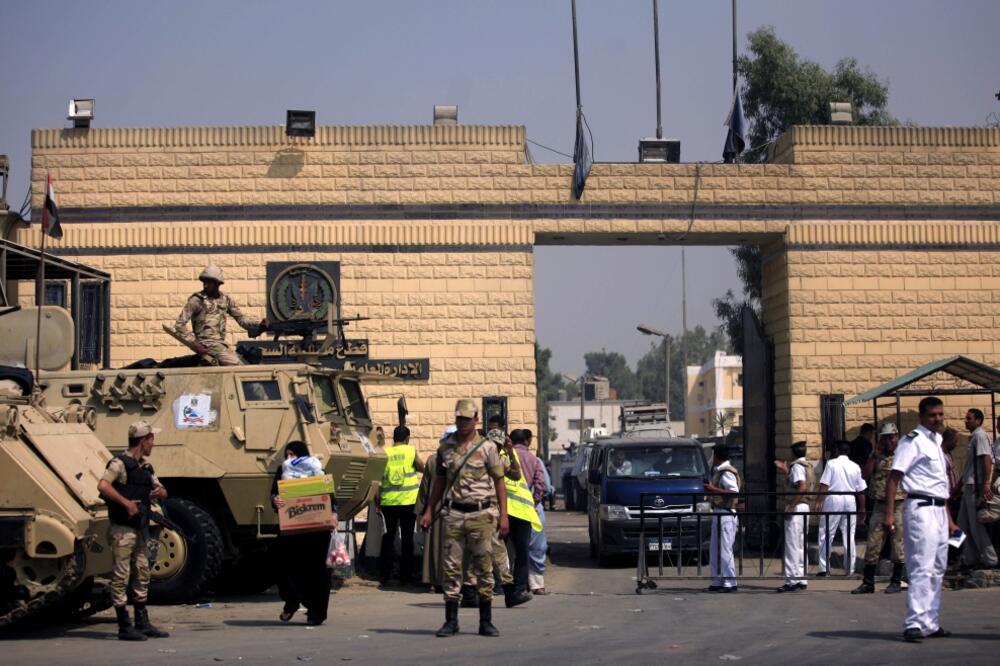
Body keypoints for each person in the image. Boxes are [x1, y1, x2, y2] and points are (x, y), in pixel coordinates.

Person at [420, 399, 510, 638]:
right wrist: (429, 510)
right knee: (451, 568)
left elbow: (500, 481)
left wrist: (504, 515)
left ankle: (486, 620)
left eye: (467, 419)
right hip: (454, 514)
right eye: (459, 418)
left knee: (484, 567)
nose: (463, 423)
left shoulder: (488, 447)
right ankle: (451, 620)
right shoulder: (445, 448)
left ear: (476, 419)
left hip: (482, 514)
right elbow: (439, 481)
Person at [883, 396, 958, 642]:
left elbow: (940, 485)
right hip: (920, 508)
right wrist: (889, 513)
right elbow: (894, 478)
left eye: (940, 414)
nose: (937, 419)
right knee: (921, 566)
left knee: (937, 568)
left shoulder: (937, 441)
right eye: (932, 415)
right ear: (922, 416)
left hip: (938, 508)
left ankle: (930, 622)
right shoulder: (911, 441)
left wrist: (949, 519)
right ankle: (914, 622)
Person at [96, 420, 170, 641]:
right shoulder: (119, 464)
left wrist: (160, 492)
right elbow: (103, 485)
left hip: (140, 528)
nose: (153, 444)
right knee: (121, 575)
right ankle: (123, 625)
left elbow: (162, 490)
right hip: (122, 529)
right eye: (151, 439)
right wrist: (126, 503)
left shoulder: (145, 468)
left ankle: (142, 621)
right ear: (143, 440)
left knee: (142, 572)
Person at [270, 440, 335, 626]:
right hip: (292, 531)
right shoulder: (282, 472)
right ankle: (292, 601)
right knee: (285, 568)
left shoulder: (317, 470)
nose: (290, 459)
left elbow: (330, 495)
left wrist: (334, 514)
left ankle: (316, 613)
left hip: (317, 532)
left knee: (318, 573)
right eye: (288, 455)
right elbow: (274, 493)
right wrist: (276, 501)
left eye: (294, 455)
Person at [174, 264, 266, 366]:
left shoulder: (226, 299)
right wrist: (195, 343)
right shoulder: (197, 300)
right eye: (204, 282)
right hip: (207, 344)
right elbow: (179, 325)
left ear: (218, 283)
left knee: (249, 362)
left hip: (221, 345)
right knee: (239, 366)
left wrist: (258, 325)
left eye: (209, 282)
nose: (205, 285)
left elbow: (241, 319)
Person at [853, 423, 906, 594]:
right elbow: (865, 475)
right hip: (879, 505)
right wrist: (874, 457)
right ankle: (868, 582)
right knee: (873, 543)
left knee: (899, 544)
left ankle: (896, 581)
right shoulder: (877, 455)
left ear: (897, 437)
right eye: (885, 437)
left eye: (891, 437)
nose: (888, 441)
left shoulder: (903, 455)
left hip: (899, 504)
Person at [378, 425, 425, 586]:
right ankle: (405, 577)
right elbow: (422, 467)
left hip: (388, 502)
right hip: (408, 502)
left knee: (388, 538)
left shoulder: (385, 453)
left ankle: (384, 575)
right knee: (407, 539)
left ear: (394, 438)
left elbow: (378, 479)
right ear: (407, 438)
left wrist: (378, 502)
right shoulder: (410, 451)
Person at [815, 440, 867, 576]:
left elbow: (824, 485)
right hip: (850, 499)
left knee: (826, 533)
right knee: (849, 534)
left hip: (833, 498)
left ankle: (824, 568)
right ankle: (850, 568)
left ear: (837, 451)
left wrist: (819, 501)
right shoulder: (855, 466)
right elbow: (861, 490)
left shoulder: (831, 464)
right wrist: (862, 508)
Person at [957, 408, 998, 570]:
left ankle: (990, 559)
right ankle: (969, 557)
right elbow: (969, 467)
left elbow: (987, 460)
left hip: (976, 485)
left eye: (969, 419)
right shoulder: (973, 437)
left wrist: (985, 484)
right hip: (968, 484)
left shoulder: (980, 436)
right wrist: (959, 485)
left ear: (978, 421)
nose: (966, 421)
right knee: (961, 524)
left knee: (976, 525)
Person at [507, 429, 544, 600]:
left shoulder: (505, 455)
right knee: (523, 551)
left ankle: (503, 586)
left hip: (505, 508)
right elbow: (540, 484)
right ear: (526, 442)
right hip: (524, 509)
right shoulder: (533, 459)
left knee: (504, 551)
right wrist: (535, 501)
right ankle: (520, 587)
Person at [775, 441, 813, 593]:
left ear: (793, 453)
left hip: (796, 506)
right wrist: (785, 470)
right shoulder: (807, 465)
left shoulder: (797, 466)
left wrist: (791, 506)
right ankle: (801, 578)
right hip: (804, 506)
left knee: (792, 545)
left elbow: (802, 486)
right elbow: (797, 483)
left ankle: (791, 580)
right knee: (801, 544)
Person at [704, 443, 740, 592]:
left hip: (726, 512)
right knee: (716, 548)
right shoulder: (719, 471)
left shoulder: (726, 472)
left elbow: (733, 491)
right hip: (719, 511)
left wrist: (713, 489)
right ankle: (717, 581)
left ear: (717, 456)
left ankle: (730, 582)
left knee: (725, 549)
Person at [941, 427, 962, 520]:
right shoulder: (940, 456)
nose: (957, 444)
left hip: (954, 495)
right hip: (948, 498)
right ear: (949, 440)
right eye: (955, 441)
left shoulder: (948, 454)